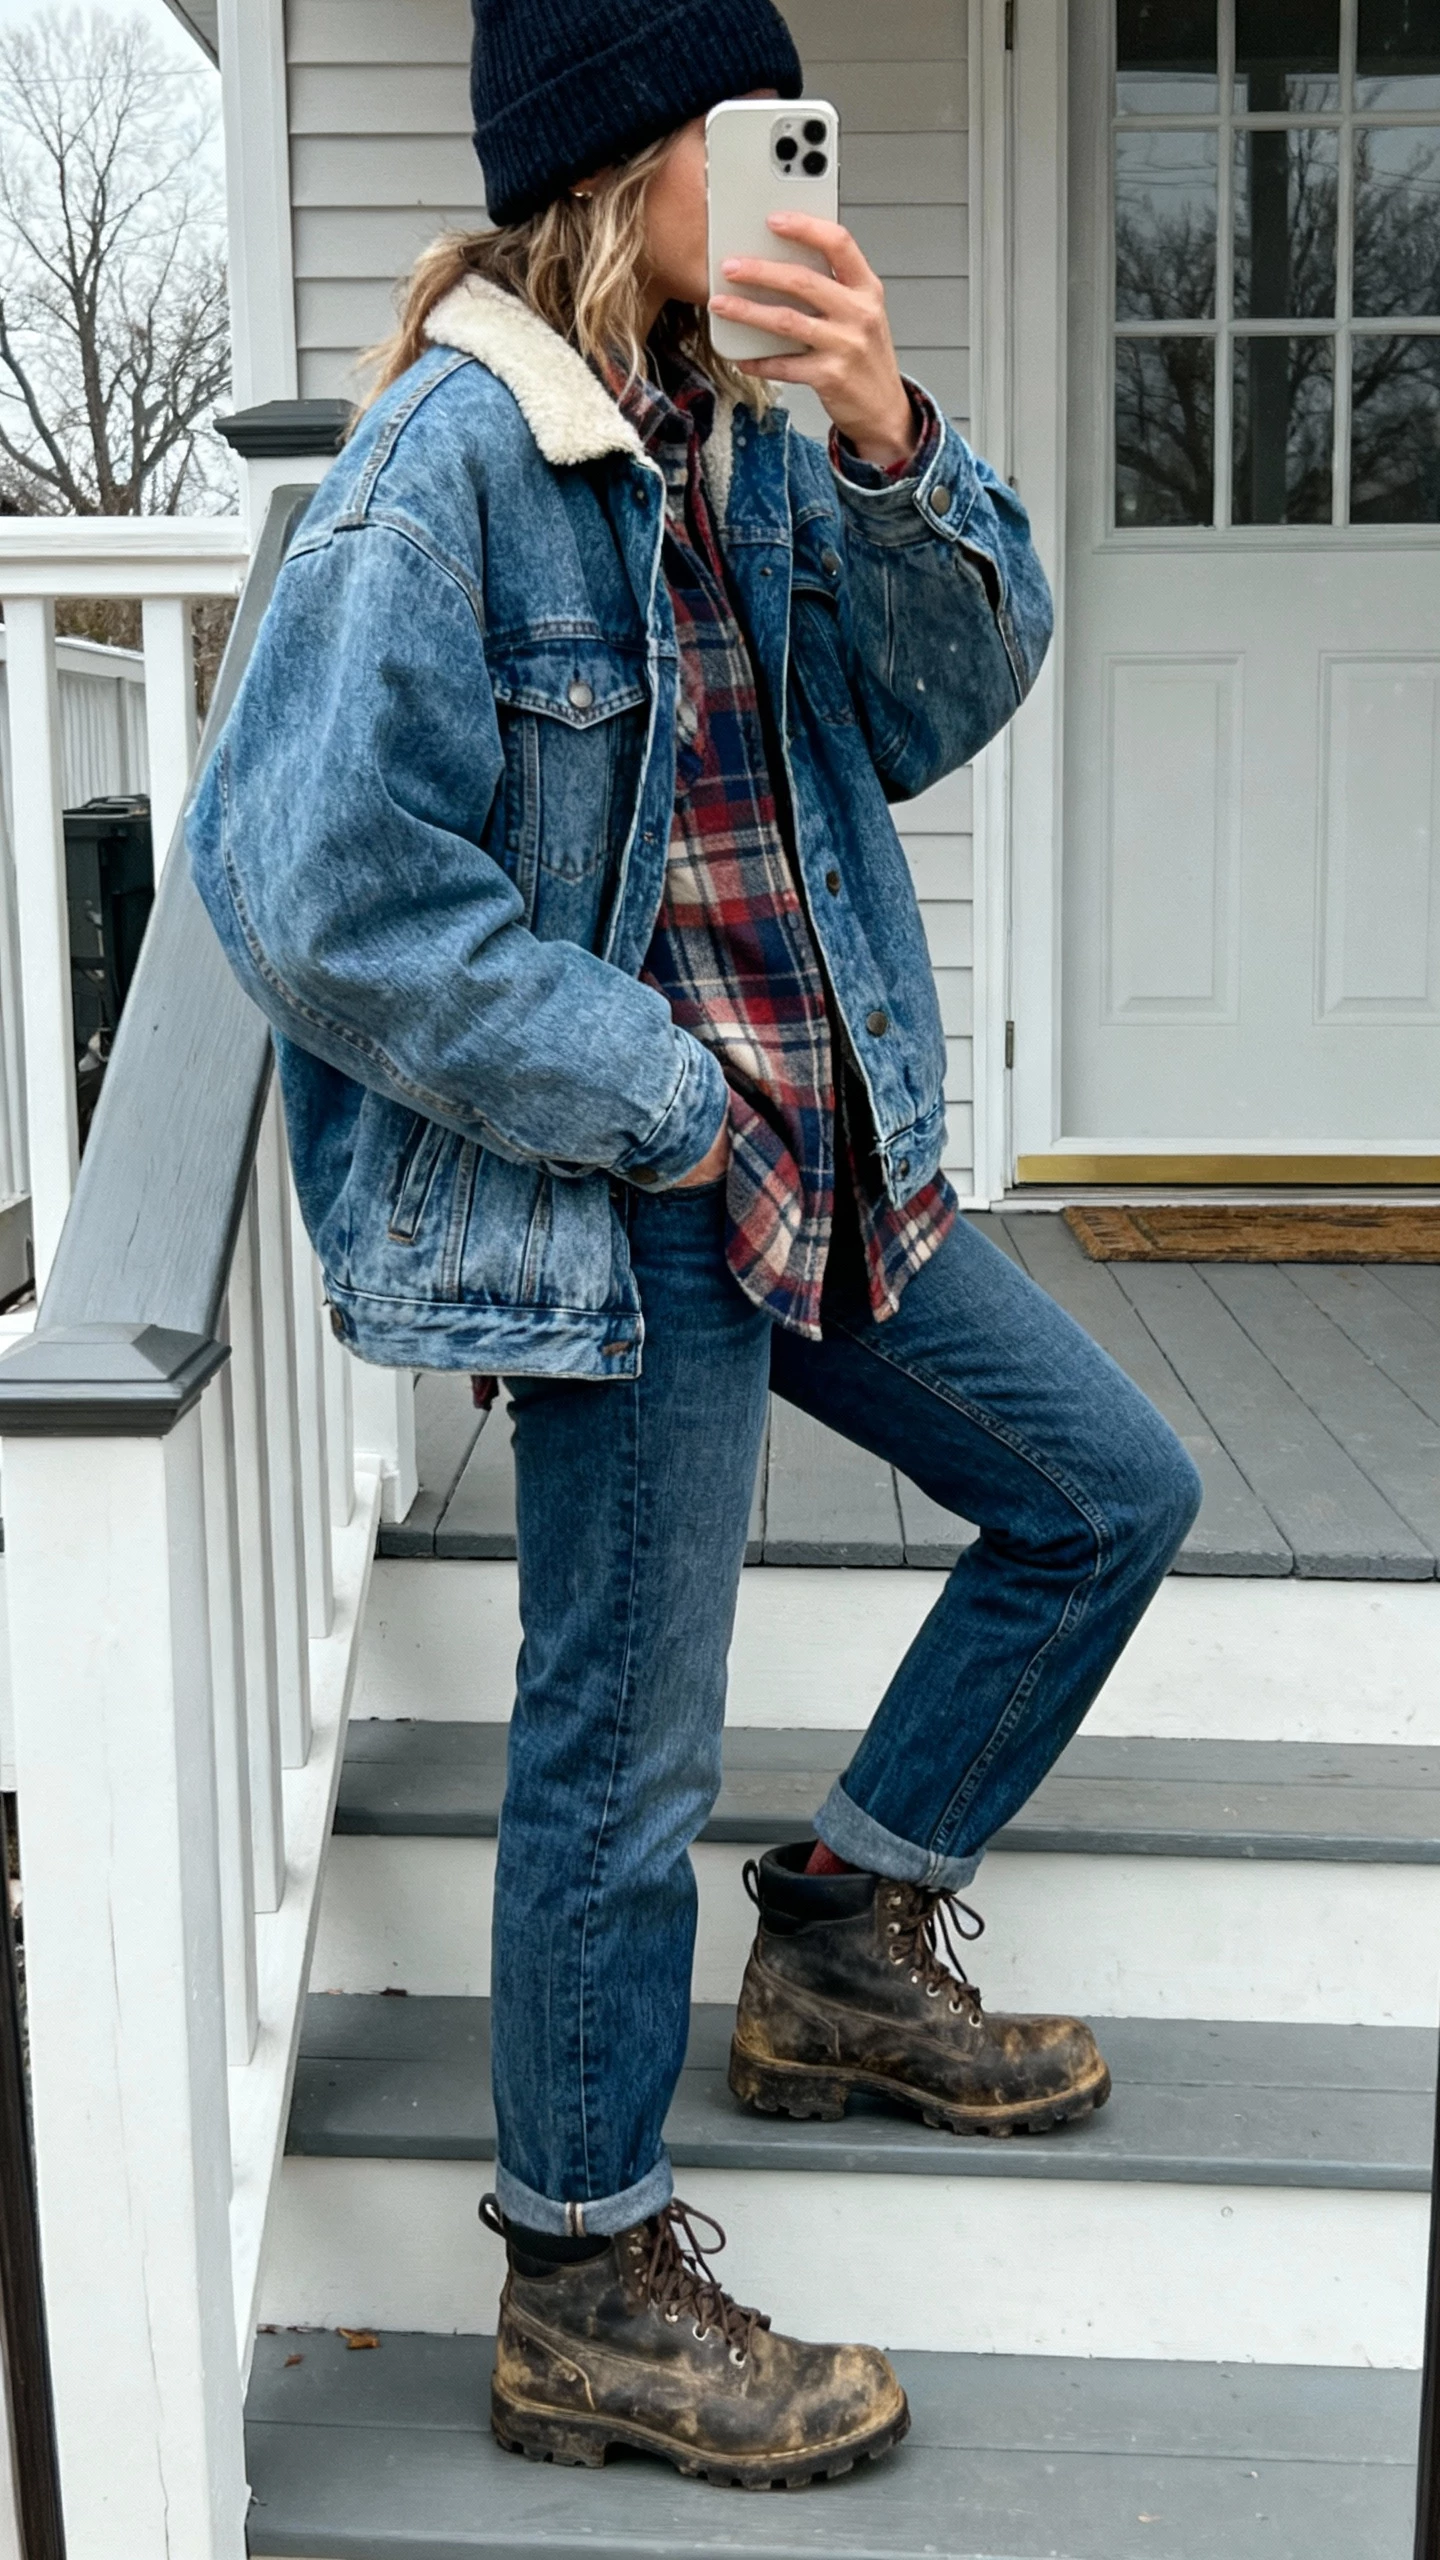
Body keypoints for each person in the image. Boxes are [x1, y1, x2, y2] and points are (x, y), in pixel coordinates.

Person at [189, 0, 1203, 2492]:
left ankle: (849, 1929)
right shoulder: (448, 459)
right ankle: (580, 2270)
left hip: (825, 1150)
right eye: (726, 129)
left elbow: (943, 699)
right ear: (624, 158)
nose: (767, 171)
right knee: (615, 1751)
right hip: (644, 1194)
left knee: (1111, 1492)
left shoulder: (745, 426)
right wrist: (650, 1090)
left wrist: (890, 439)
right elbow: (304, 883)